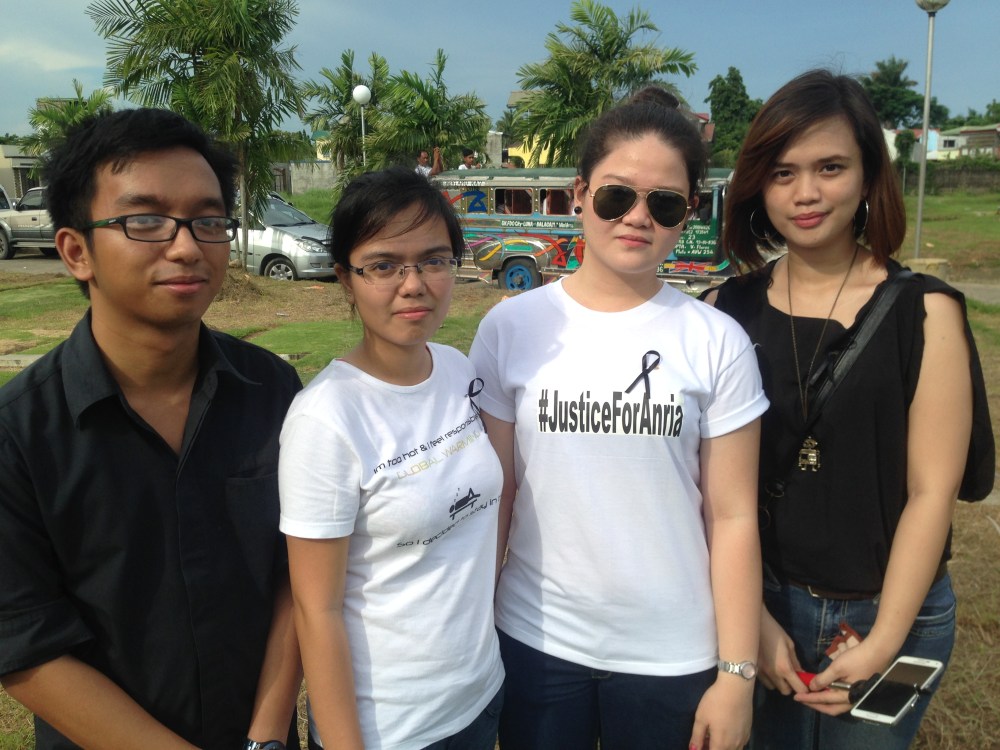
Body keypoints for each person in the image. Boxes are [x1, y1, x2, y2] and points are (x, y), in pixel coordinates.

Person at [469, 100, 769, 750]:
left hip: (672, 652)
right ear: (580, 195)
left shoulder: (717, 342)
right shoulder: (510, 328)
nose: (637, 217)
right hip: (535, 639)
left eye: (664, 204)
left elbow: (734, 516)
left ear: (689, 211)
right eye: (615, 196)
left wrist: (738, 675)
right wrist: (471, 628)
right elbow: (497, 496)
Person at [0, 108, 303, 749]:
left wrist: (268, 735)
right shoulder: (19, 435)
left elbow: (295, 573)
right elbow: (25, 644)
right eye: (145, 220)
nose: (187, 245)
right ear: (76, 251)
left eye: (208, 219)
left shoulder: (273, 391)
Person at [703, 69, 988, 749]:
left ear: (868, 176)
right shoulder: (721, 313)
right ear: (756, 186)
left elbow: (931, 492)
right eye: (783, 172)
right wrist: (752, 625)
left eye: (830, 167)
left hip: (901, 620)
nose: (806, 193)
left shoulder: (928, 312)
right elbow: (713, 495)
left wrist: (885, 637)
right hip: (760, 609)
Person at [279, 167, 504, 750]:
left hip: (480, 696)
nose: (414, 284)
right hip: (391, 729)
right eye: (383, 265)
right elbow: (316, 609)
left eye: (434, 260)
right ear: (345, 280)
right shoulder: (325, 417)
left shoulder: (458, 369)